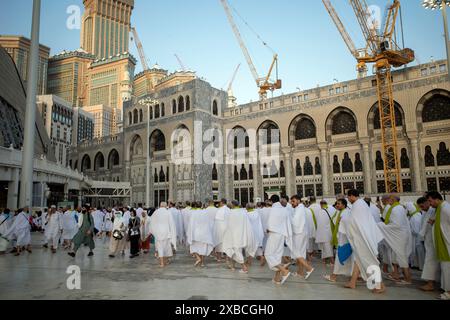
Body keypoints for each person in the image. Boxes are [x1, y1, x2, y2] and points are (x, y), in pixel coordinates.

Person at [345, 189, 385, 293]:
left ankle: (380, 286)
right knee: (358, 260)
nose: (348, 199)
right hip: (362, 238)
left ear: (352, 196)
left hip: (363, 239)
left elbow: (355, 223)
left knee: (369, 261)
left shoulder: (358, 205)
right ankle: (352, 282)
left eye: (348, 197)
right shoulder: (361, 204)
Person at [378, 195, 412, 284]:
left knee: (401, 256)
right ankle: (396, 274)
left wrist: (382, 226)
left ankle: (407, 279)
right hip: (397, 235)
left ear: (392, 199)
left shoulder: (397, 209)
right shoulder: (396, 208)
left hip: (399, 236)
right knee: (395, 256)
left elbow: (396, 225)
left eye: (389, 199)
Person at [426, 191, 450, 300]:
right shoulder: (440, 209)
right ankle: (447, 291)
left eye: (430, 201)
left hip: (447, 243)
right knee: (445, 268)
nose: (430, 204)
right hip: (443, 243)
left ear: (437, 199)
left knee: (447, 268)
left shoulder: (445, 208)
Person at [222, 201, 256, 273]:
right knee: (235, 250)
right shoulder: (243, 212)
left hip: (234, 235)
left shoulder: (231, 213)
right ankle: (233, 266)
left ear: (233, 204)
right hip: (242, 234)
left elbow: (228, 224)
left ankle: (244, 267)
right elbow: (247, 224)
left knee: (235, 250)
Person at [265, 195, 292, 285]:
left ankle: (284, 270)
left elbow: (270, 222)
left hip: (274, 234)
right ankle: (277, 278)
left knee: (268, 254)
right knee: (276, 256)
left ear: (271, 201)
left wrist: (269, 228)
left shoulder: (274, 209)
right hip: (281, 235)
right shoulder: (284, 209)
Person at [324, 198, 353, 283]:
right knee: (346, 258)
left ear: (344, 205)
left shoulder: (345, 213)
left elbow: (346, 227)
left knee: (340, 257)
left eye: (339, 204)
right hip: (342, 239)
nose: (337, 205)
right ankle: (351, 275)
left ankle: (334, 276)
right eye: (337, 203)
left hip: (344, 240)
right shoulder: (342, 212)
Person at [417, 197, 440, 292]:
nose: (422, 208)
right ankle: (431, 282)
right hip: (428, 240)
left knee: (430, 261)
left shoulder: (432, 211)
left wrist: (421, 236)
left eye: (422, 206)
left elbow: (426, 226)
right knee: (431, 261)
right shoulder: (427, 212)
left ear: (427, 202)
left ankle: (430, 284)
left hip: (432, 240)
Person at [290, 195, 314, 279]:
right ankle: (300, 272)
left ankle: (309, 268)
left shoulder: (299, 209)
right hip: (302, 233)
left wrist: (288, 220)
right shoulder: (300, 208)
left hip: (299, 234)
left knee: (296, 253)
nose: (291, 203)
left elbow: (295, 222)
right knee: (301, 253)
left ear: (298, 201)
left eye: (293, 201)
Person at [149, 202, 177, 268]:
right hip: (166, 232)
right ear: (166, 206)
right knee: (167, 247)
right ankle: (166, 260)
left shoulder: (156, 212)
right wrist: (172, 232)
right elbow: (171, 224)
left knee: (160, 248)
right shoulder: (168, 212)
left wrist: (153, 232)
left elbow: (151, 222)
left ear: (160, 205)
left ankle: (162, 263)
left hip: (158, 233)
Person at [187, 202, 214, 267]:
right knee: (203, 248)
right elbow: (209, 223)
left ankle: (198, 258)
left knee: (194, 247)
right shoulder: (205, 213)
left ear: (195, 206)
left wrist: (189, 233)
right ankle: (202, 263)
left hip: (196, 233)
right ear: (201, 205)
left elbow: (191, 224)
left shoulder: (194, 213)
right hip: (204, 233)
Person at [405, 202, 425, 270]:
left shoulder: (415, 217)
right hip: (414, 238)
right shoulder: (415, 215)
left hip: (416, 238)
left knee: (418, 253)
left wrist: (408, 230)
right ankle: (416, 265)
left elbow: (416, 231)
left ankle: (420, 266)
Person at [315, 199, 334, 267]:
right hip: (330, 232)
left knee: (326, 248)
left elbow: (319, 224)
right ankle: (325, 261)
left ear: (321, 204)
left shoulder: (321, 212)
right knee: (328, 248)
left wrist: (318, 235)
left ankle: (332, 262)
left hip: (323, 234)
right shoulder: (331, 209)